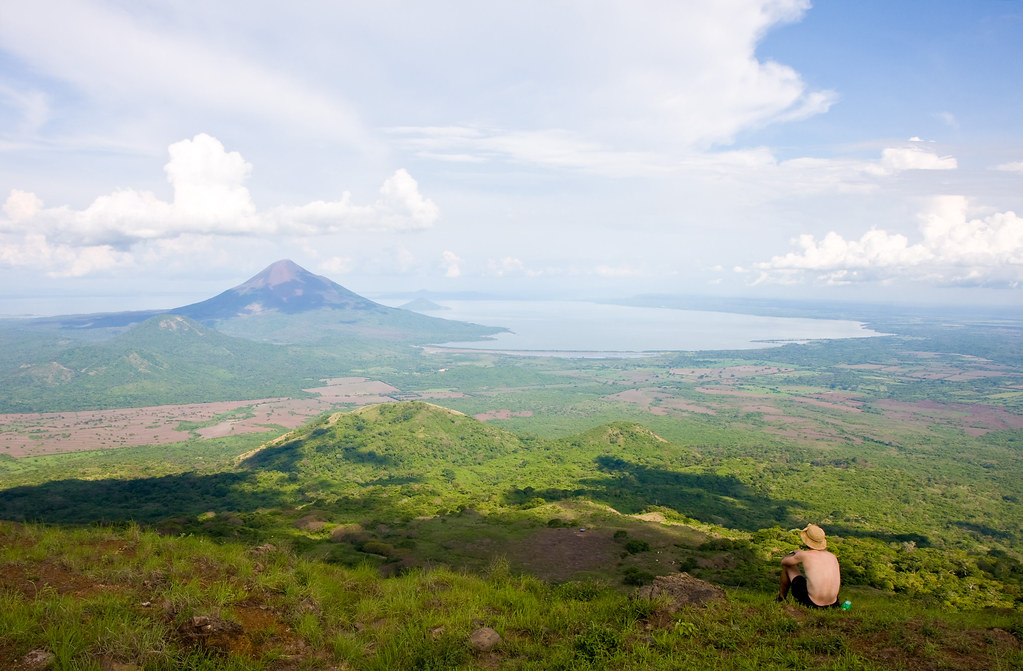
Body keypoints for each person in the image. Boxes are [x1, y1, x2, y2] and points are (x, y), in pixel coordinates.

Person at [776, 523, 841, 608]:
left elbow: (784, 562)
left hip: (813, 603)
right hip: (833, 603)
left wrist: (794, 553)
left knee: (788, 567)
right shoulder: (832, 556)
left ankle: (781, 598)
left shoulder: (805, 555)